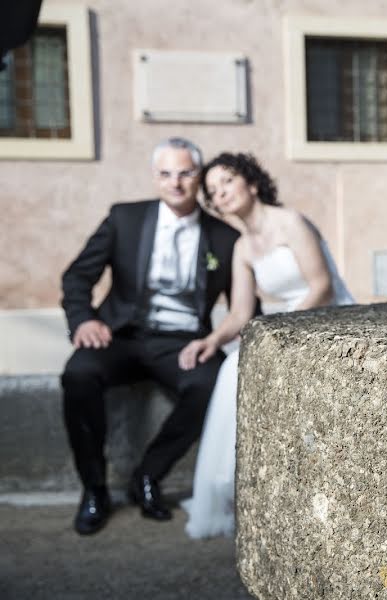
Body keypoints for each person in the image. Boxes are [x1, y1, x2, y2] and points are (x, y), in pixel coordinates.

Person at [60, 138, 245, 535]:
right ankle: (94, 490)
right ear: (155, 178)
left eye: (185, 173)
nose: (175, 183)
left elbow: (244, 308)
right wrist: (83, 321)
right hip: (120, 334)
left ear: (198, 177)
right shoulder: (124, 218)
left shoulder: (225, 239)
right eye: (166, 174)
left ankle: (148, 476)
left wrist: (229, 345)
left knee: (211, 385)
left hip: (182, 341)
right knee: (77, 376)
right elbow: (77, 276)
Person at [178, 152, 353, 539]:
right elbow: (241, 313)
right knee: (229, 365)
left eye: (227, 181)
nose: (220, 193)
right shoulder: (242, 248)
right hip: (282, 326)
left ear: (252, 183)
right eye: (212, 191)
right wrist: (210, 340)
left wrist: (277, 331)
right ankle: (237, 484)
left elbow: (321, 287)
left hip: (326, 318)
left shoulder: (289, 222)